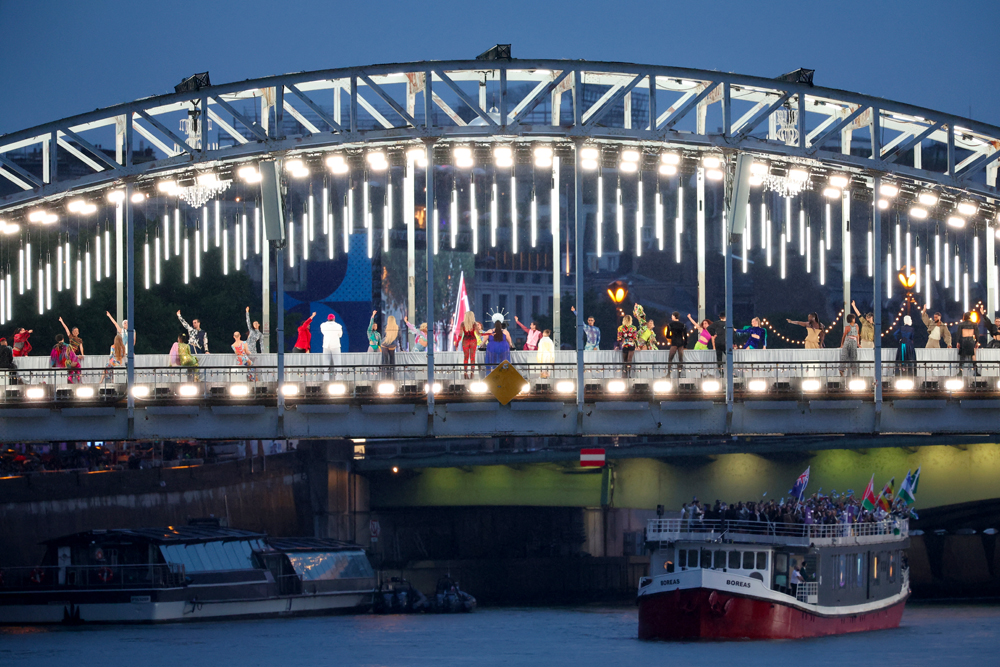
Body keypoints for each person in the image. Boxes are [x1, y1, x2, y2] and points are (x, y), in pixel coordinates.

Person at [956, 312, 978, 376]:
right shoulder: (974, 324)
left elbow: (958, 334)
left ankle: (960, 371)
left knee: (962, 357)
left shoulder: (961, 324)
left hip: (964, 341)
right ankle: (976, 370)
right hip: (971, 340)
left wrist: (957, 342)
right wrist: (977, 341)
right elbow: (977, 333)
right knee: (973, 356)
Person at [460, 311, 478, 379]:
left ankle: (465, 372)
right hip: (473, 340)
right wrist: (488, 334)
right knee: (472, 357)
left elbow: (460, 334)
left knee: (465, 357)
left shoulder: (462, 324)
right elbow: (479, 334)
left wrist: (457, 342)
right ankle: (472, 372)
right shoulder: (474, 324)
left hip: (465, 340)